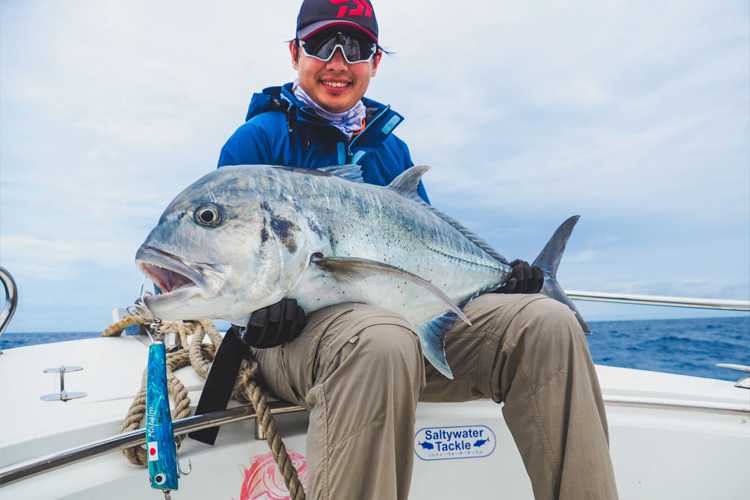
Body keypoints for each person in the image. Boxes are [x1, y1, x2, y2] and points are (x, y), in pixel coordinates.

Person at [213, 1, 619, 498]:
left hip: (405, 331)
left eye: (356, 47)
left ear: (375, 63)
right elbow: (224, 255)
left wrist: (501, 280)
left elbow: (428, 254)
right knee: (380, 340)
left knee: (545, 324)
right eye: (322, 45)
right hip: (294, 343)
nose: (339, 61)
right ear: (296, 53)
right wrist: (257, 309)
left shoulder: (391, 151)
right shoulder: (256, 142)